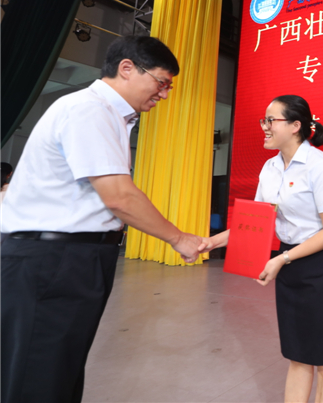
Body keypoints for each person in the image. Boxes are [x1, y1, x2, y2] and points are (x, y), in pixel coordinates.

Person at [1, 35, 204, 403]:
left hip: (70, 257)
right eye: (161, 83)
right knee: (40, 374)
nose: (164, 94)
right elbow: (119, 196)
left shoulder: (109, 115)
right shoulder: (90, 110)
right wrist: (179, 239)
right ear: (127, 68)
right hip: (52, 261)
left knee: (58, 369)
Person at [200, 95, 323, 403]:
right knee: (298, 354)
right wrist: (210, 242)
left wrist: (283, 258)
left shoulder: (321, 166)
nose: (264, 127)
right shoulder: (269, 168)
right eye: (264, 120)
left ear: (295, 126)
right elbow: (255, 221)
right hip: (289, 265)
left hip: (321, 267)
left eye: (271, 120)